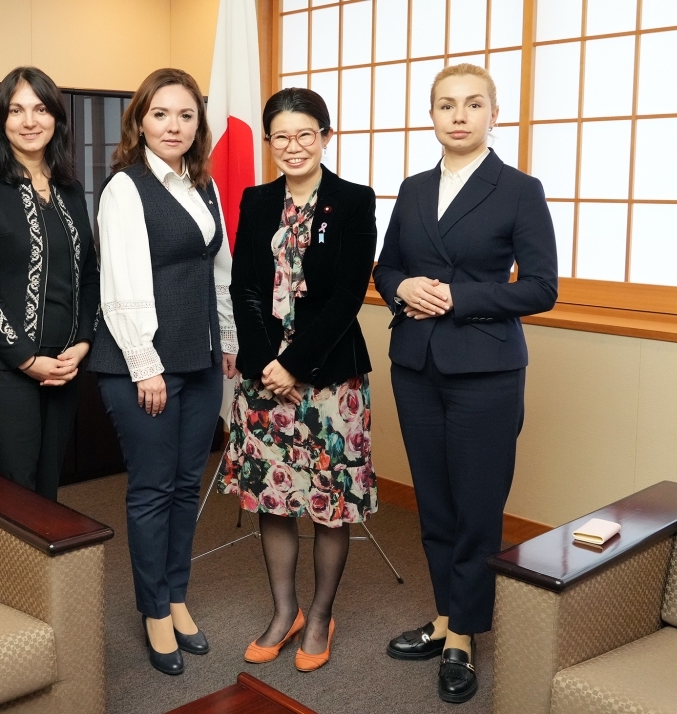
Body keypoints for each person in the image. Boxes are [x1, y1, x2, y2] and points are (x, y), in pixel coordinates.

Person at [374, 63, 558, 703]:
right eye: (446, 105)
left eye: (472, 104)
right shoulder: (413, 187)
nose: (458, 115)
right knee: (436, 503)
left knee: (478, 507)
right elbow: (387, 263)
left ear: (493, 114)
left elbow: (541, 288)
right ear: (431, 115)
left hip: (486, 369)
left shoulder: (519, 190)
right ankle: (447, 615)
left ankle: (464, 635)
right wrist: (398, 287)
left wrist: (456, 297)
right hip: (417, 366)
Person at [217, 87, 378, 673]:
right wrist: (266, 364)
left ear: (325, 137)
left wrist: (297, 366)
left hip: (331, 381)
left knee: (330, 505)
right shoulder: (256, 200)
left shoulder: (354, 201)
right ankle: (283, 612)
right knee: (275, 498)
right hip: (265, 380)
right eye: (280, 136)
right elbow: (245, 289)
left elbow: (346, 297)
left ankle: (319, 615)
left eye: (305, 134)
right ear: (268, 142)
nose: (293, 146)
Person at [88, 68, 238, 676]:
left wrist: (225, 336)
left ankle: (177, 597)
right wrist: (144, 364)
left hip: (200, 359)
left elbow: (218, 268)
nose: (173, 126)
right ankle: (153, 609)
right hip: (141, 363)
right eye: (160, 114)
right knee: (151, 491)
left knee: (184, 486)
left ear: (198, 125)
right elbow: (118, 283)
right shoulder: (125, 187)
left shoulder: (203, 185)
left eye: (185, 116)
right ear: (139, 121)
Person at [0, 66, 99, 501]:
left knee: (46, 493)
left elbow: (88, 273)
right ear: (1, 121)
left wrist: (82, 343)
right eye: (16, 110)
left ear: (56, 120)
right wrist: (27, 360)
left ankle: (38, 575)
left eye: (40, 109)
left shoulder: (70, 189)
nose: (29, 121)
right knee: (13, 496)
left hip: (64, 365)